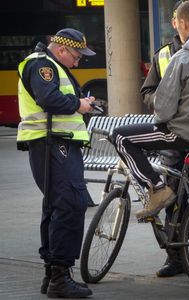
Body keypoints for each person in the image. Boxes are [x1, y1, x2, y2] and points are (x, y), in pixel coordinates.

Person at [112, 0, 189, 278]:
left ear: (180, 23)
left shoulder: (181, 57)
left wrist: (161, 125)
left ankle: (156, 190)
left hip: (180, 135)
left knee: (121, 136)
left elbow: (164, 109)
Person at [17, 28, 95, 298]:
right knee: (70, 203)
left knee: (57, 204)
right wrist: (79, 105)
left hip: (57, 143)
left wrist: (81, 103)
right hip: (51, 143)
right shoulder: (42, 65)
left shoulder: (49, 65)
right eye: (77, 56)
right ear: (62, 50)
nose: (78, 61)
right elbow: (48, 99)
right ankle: (60, 277)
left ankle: (53, 274)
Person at [140, 0, 184, 278]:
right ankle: (175, 258)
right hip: (171, 137)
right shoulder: (164, 55)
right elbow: (147, 93)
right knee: (173, 202)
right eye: (178, 20)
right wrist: (163, 101)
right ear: (175, 23)